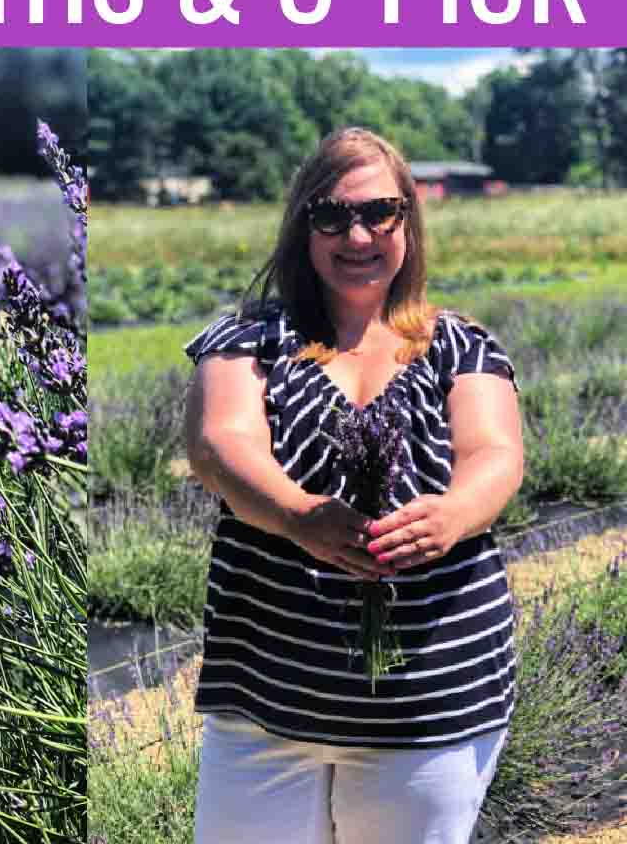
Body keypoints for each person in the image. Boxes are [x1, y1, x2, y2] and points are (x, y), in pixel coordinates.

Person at [184, 126, 524, 844]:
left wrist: (453, 515)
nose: (357, 233)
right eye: (331, 215)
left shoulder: (458, 343)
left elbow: (497, 453)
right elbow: (221, 444)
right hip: (266, 700)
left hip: (430, 703)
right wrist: (298, 513)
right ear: (302, 226)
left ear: (409, 220)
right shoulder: (249, 336)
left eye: (380, 212)